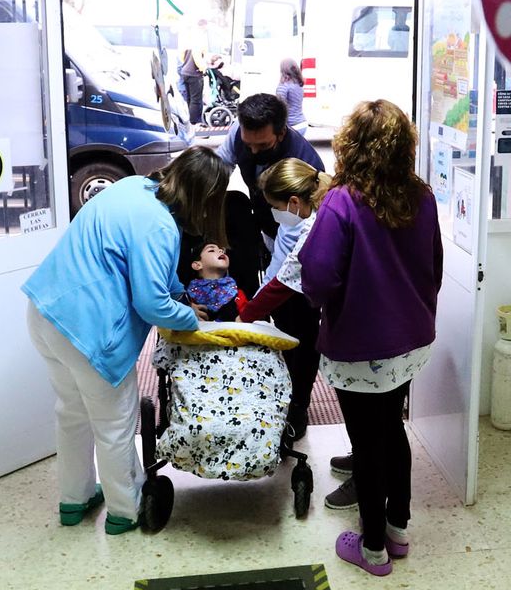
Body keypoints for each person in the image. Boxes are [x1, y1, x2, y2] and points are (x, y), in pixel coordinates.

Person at [23, 147, 229, 534]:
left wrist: (181, 296)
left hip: (45, 311)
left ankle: (74, 499)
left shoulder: (133, 187)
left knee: (71, 413)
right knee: (114, 424)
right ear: (204, 197)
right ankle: (125, 509)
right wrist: (189, 319)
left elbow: (152, 272)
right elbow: (151, 303)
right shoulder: (161, 226)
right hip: (90, 332)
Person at [298, 100, 443, 577]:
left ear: (350, 146)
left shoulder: (343, 200)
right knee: (393, 429)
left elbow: (317, 275)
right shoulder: (420, 195)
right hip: (409, 341)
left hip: (361, 344)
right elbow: (434, 266)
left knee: (366, 442)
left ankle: (373, 547)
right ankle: (398, 530)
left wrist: (325, 303)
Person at [217, 93, 325, 436]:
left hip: (299, 247)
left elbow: (287, 272)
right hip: (269, 234)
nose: (251, 151)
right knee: (265, 314)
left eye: (261, 146)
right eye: (247, 144)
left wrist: (246, 315)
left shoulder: (306, 166)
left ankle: (298, 407)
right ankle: (263, 395)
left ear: (280, 133)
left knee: (299, 330)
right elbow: (217, 172)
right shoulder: (241, 135)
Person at [240, 159, 337, 452]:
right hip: (285, 288)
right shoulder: (296, 215)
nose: (274, 213)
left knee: (304, 350)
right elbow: (278, 262)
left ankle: (297, 408)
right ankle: (283, 401)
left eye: (275, 207)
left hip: (305, 295)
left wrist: (245, 315)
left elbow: (286, 279)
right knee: (286, 346)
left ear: (293, 202)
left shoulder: (314, 226)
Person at [182, 242, 245, 321]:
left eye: (222, 251)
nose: (221, 251)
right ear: (197, 265)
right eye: (211, 250)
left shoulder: (238, 294)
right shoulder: (185, 297)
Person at [276, 58, 308, 135]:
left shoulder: (283, 86)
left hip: (291, 126)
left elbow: (280, 109)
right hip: (302, 124)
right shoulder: (298, 84)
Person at [176, 44, 204, 126]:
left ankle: (188, 119)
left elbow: (182, 57)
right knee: (196, 99)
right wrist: (203, 68)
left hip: (185, 72)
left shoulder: (188, 45)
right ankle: (194, 121)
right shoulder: (198, 46)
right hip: (194, 73)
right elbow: (198, 59)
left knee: (189, 99)